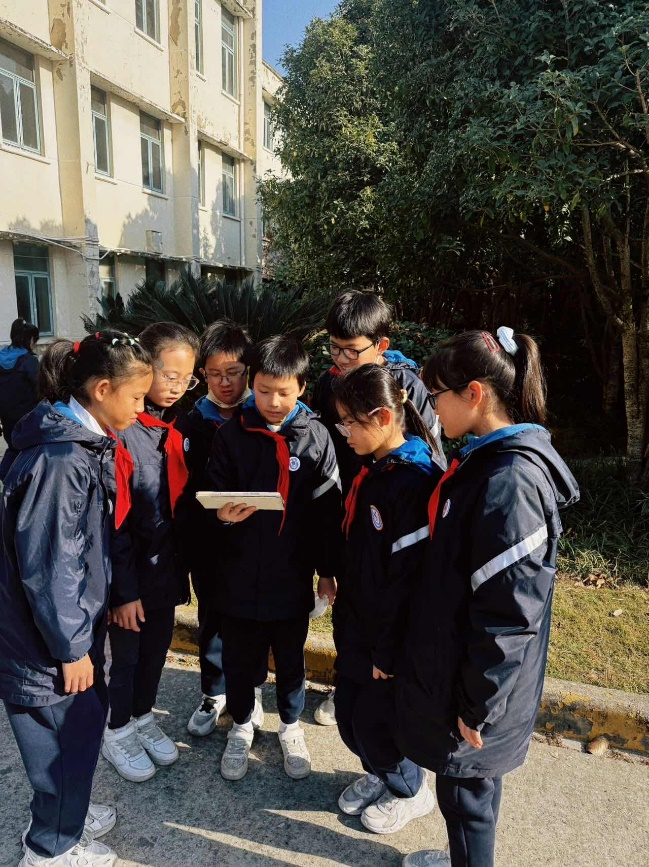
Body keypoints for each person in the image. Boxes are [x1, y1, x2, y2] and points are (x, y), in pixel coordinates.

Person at [397, 327, 579, 867]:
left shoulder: (509, 481)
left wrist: (479, 706)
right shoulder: (485, 459)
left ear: (473, 394)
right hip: (470, 675)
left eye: (435, 395)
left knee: (465, 797)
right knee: (472, 790)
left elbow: (509, 615)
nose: (430, 408)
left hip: (480, 687)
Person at [0, 331, 153, 867]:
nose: (142, 409)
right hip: (45, 642)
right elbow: (50, 566)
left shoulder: (75, 439)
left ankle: (66, 816)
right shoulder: (62, 458)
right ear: (102, 389)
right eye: (137, 397)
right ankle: (50, 848)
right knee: (62, 745)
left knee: (76, 737)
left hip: (61, 628)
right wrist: (71, 650)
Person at [207, 335, 342, 781]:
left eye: (283, 392)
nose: (272, 401)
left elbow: (328, 513)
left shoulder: (316, 437)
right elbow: (212, 495)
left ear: (301, 386)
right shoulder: (231, 435)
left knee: (289, 657)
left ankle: (289, 725)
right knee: (239, 657)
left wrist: (327, 571)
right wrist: (222, 517)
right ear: (252, 384)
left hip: (291, 574)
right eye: (263, 390)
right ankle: (242, 724)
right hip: (238, 572)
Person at [331, 365, 443, 835]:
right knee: (348, 718)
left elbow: (408, 579)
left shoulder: (414, 480)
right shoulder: (372, 468)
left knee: (377, 727)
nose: (345, 433)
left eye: (350, 423)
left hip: (389, 638)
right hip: (358, 622)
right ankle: (381, 774)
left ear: (381, 417)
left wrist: (388, 650)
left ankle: (411, 791)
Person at [102, 322, 199, 783]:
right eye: (169, 375)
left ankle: (142, 716)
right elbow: (115, 521)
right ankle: (115, 728)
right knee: (125, 658)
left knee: (155, 651)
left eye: (187, 379)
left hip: (165, 570)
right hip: (131, 576)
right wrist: (123, 593)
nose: (177, 387)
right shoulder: (122, 430)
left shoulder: (176, 426)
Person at [184, 319, 268, 737]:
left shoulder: (265, 416)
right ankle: (213, 691)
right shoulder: (192, 421)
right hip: (210, 539)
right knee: (212, 616)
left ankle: (252, 689)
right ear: (203, 374)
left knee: (254, 617)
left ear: (248, 371)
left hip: (256, 541)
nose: (224, 383)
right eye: (214, 374)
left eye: (233, 373)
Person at [0, 317, 40, 481]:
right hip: (27, 417)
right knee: (28, 450)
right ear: (30, 340)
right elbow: (41, 389)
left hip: (6, 417)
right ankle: (14, 480)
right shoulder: (29, 361)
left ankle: (7, 476)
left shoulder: (1, 357)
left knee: (14, 446)